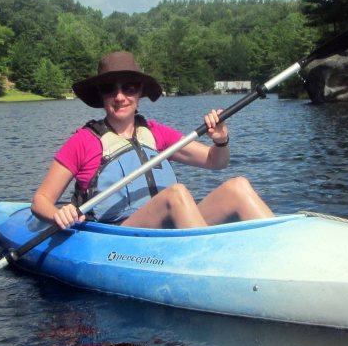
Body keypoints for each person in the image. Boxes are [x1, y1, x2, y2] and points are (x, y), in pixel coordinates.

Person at [32, 51, 274, 231]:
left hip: (169, 231)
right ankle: (213, 261)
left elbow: (215, 162)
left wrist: (221, 140)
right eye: (109, 88)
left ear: (139, 93)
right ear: (101, 95)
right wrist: (58, 214)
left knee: (238, 187)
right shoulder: (84, 141)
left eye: (129, 88)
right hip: (119, 237)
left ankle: (285, 253)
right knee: (176, 195)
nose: (119, 97)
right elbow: (41, 201)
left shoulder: (156, 133)